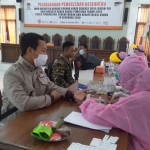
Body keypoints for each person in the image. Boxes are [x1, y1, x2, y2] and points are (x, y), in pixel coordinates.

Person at [1, 33, 87, 123]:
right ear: (30, 50)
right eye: (43, 51)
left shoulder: (38, 69)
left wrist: (71, 95)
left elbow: (51, 86)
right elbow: (24, 103)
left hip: (35, 115)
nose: (46, 54)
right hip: (14, 123)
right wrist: (51, 98)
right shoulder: (12, 74)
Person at [80, 56, 150, 150]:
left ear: (130, 78)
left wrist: (88, 102)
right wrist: (127, 97)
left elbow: (103, 115)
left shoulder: (137, 102)